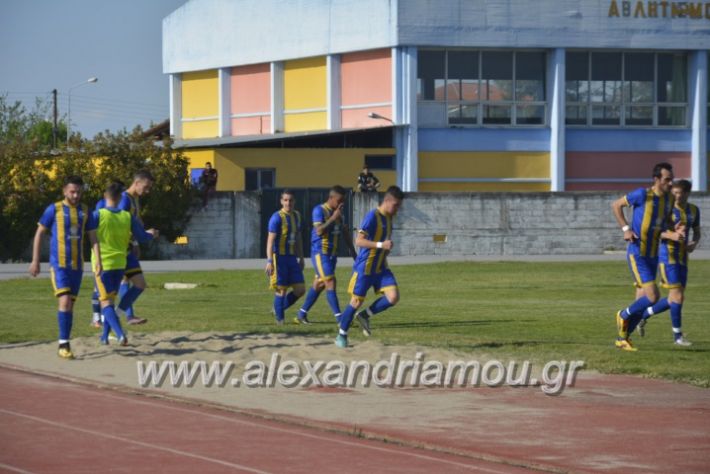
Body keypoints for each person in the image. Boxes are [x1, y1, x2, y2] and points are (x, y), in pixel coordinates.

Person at [610, 162, 685, 351]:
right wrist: (626, 229)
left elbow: (665, 221)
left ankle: (622, 339)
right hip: (637, 253)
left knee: (642, 302)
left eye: (671, 179)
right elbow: (616, 205)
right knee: (653, 296)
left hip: (653, 255)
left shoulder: (668, 200)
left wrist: (673, 228)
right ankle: (623, 314)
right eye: (667, 179)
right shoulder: (642, 195)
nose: (670, 183)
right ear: (657, 179)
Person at [29, 175, 100, 359]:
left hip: (77, 267)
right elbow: (39, 234)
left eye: (78, 192)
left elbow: (93, 238)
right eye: (72, 191)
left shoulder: (86, 211)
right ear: (64, 191)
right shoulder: (54, 209)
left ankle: (65, 341)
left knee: (70, 306)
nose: (76, 195)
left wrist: (98, 260)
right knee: (65, 301)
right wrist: (35, 260)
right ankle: (63, 344)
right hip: (59, 265)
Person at [335, 185, 405, 348]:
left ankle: (365, 316)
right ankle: (341, 335)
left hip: (381, 268)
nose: (397, 209)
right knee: (356, 302)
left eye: (399, 206)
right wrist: (381, 245)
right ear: (387, 201)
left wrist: (385, 252)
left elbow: (386, 243)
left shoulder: (389, 219)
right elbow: (358, 241)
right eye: (395, 205)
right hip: (365, 268)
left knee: (393, 297)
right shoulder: (372, 216)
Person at [92, 182, 157, 346]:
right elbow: (142, 236)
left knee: (106, 302)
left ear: (105, 196)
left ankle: (120, 334)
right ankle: (104, 337)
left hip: (103, 265)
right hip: (120, 263)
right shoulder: (127, 216)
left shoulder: (97, 215)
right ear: (120, 197)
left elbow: (82, 230)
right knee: (111, 301)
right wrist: (151, 235)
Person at [637, 179, 700, 346]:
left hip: (683, 258)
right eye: (675, 193)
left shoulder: (694, 210)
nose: (677, 196)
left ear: (687, 193)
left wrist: (694, 243)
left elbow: (697, 231)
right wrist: (670, 235)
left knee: (675, 298)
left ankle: (643, 315)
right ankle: (677, 337)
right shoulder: (667, 209)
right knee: (677, 296)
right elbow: (656, 231)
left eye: (680, 193)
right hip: (667, 257)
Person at [296, 185, 356, 324]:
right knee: (330, 281)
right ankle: (340, 319)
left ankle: (301, 314)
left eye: (343, 201)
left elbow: (345, 232)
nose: (342, 203)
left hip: (332, 255)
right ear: (331, 198)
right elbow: (319, 231)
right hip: (320, 253)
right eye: (339, 200)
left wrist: (353, 252)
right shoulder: (319, 210)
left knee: (319, 284)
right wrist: (333, 218)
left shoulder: (339, 213)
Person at [265, 190, 306, 324]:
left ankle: (278, 309)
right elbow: (270, 241)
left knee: (300, 290)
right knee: (281, 290)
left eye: (291, 200)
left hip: (292, 258)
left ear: (294, 201)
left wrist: (301, 257)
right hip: (279, 259)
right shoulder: (276, 217)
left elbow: (299, 237)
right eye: (286, 200)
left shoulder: (297, 216)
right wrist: (270, 261)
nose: (288, 203)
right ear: (282, 201)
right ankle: (280, 321)